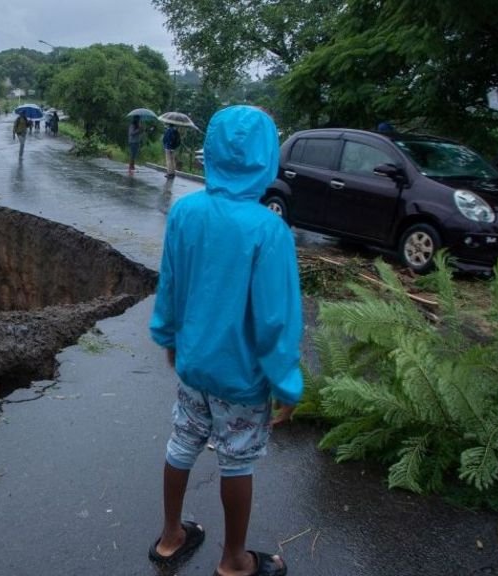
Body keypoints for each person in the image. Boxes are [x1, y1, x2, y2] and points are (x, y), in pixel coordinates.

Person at [148, 105, 301, 576]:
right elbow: (276, 319)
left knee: (182, 441)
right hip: (241, 377)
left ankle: (172, 536)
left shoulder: (185, 212)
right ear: (265, 157)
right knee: (237, 461)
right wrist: (286, 383)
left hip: (194, 365)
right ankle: (235, 561)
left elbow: (170, 284)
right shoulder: (268, 229)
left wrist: (169, 338)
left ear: (210, 149)